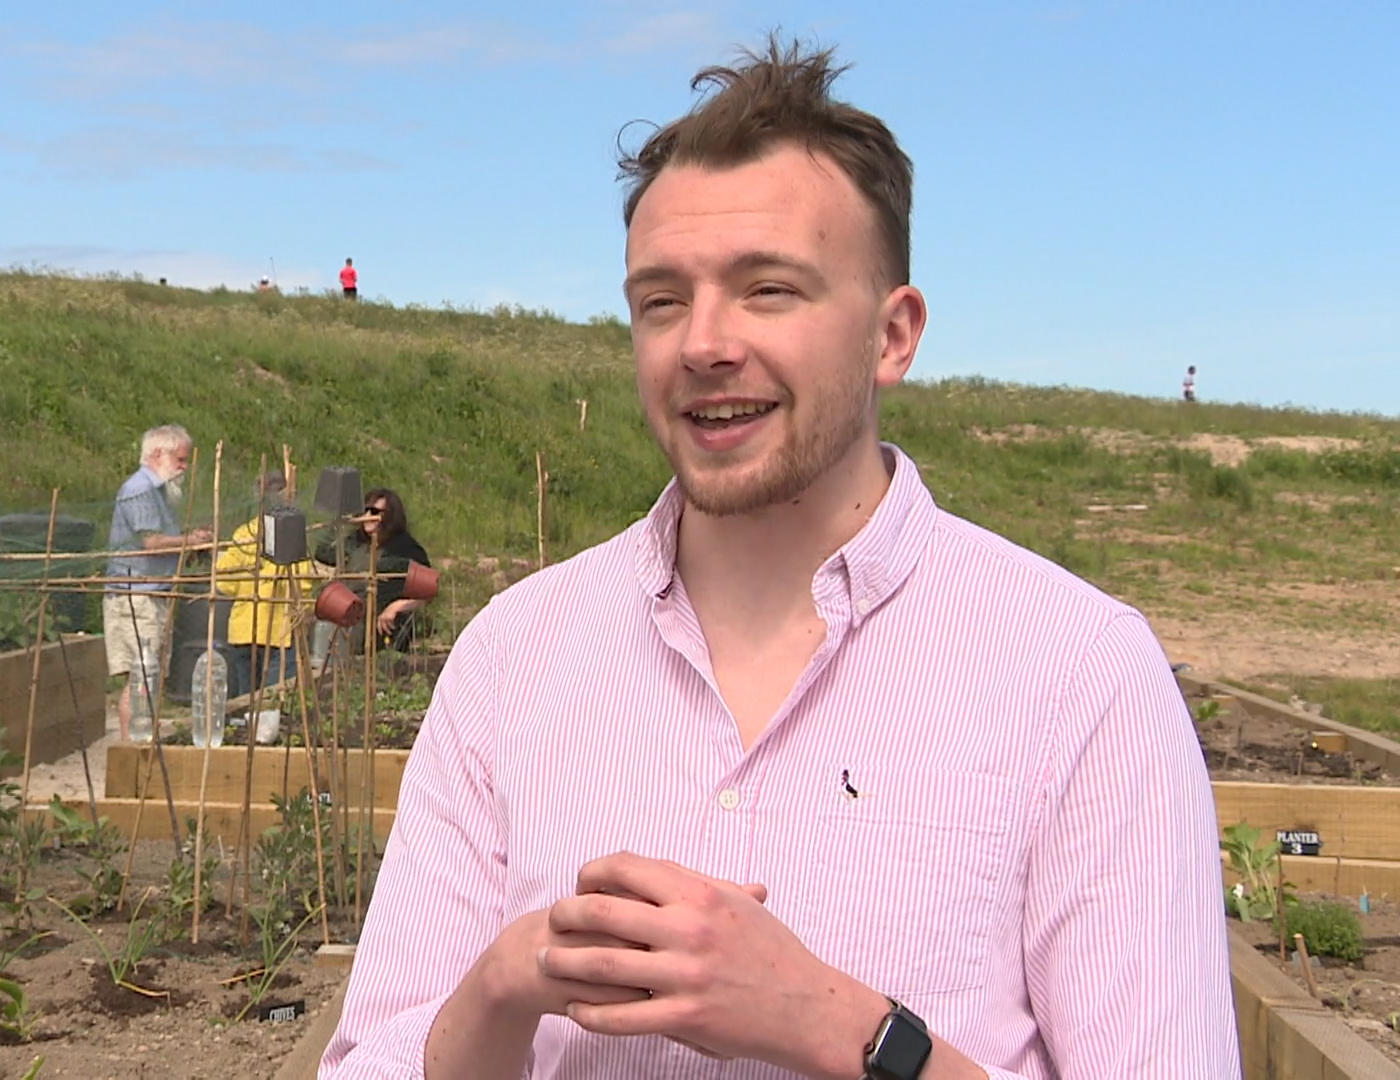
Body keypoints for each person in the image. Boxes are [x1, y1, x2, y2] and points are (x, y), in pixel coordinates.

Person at [324, 38, 1236, 1080]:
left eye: (769, 291)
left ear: (893, 335)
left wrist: (843, 1029)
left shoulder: (1080, 677)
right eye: (662, 300)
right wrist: (495, 989)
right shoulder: (512, 662)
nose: (704, 342)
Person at [103, 424, 212, 740]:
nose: (184, 467)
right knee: (141, 678)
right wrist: (189, 541)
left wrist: (189, 545)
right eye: (180, 459)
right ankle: (131, 753)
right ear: (157, 454)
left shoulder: (159, 493)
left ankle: (137, 748)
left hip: (152, 594)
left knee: (148, 679)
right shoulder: (139, 490)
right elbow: (150, 543)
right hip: (136, 595)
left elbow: (163, 544)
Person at [216, 472, 315, 701]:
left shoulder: (245, 534)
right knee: (275, 699)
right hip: (279, 631)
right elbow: (303, 583)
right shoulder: (292, 532)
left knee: (246, 700)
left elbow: (224, 582)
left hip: (243, 629)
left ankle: (248, 734)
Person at [315, 487, 430, 653]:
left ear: (389, 516)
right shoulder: (357, 542)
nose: (368, 516)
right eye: (365, 510)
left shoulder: (404, 548)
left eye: (374, 511)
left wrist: (395, 607)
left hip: (384, 633)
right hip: (351, 625)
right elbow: (323, 553)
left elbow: (428, 591)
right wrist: (341, 522)